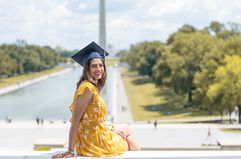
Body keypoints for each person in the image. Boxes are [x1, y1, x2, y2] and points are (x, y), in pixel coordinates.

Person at [52, 42, 140, 158]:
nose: (99, 69)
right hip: (93, 143)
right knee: (129, 136)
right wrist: (70, 150)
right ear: (87, 69)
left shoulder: (91, 86)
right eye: (94, 66)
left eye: (101, 65)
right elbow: (75, 121)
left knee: (124, 129)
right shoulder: (87, 88)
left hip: (95, 136)